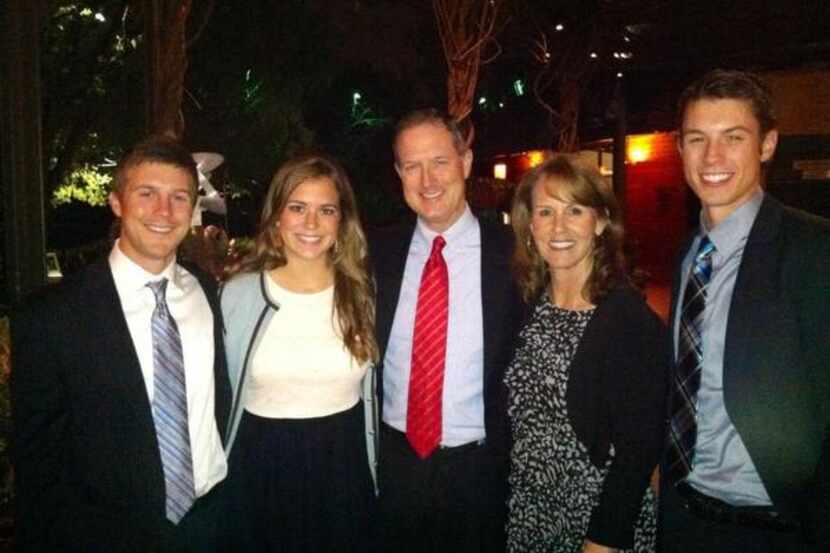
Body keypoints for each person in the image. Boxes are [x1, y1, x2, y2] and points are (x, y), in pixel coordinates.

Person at [11, 137, 231, 553]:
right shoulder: (51, 315)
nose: (163, 212)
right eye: (146, 194)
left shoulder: (205, 290)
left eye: (179, 197)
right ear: (116, 203)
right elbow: (38, 462)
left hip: (210, 524)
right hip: (104, 533)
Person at [660, 69, 830, 552]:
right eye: (698, 139)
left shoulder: (814, 251)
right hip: (682, 517)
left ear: (768, 144)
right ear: (680, 148)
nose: (712, 157)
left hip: (773, 529)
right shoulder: (689, 253)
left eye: (733, 138)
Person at [370, 109, 523, 553]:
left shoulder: (515, 255)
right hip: (394, 465)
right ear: (399, 173)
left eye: (439, 161)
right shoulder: (375, 252)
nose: (427, 179)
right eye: (412, 166)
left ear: (466, 162)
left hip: (479, 470)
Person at [505, 155, 667, 553]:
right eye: (545, 212)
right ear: (530, 228)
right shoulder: (528, 307)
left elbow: (640, 449)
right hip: (529, 512)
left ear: (599, 223)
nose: (558, 227)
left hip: (597, 519)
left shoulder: (629, 320)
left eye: (574, 210)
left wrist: (602, 540)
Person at [221, 153, 379, 553]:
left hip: (344, 465)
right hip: (260, 466)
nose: (311, 223)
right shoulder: (236, 294)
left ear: (341, 222)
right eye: (297, 208)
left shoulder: (364, 293)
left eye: (326, 210)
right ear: (277, 217)